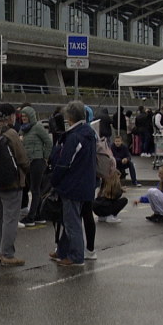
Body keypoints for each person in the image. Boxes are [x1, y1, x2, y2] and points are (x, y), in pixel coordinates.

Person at [49, 101, 96, 267]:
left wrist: (54, 181)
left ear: (69, 117)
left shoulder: (74, 137)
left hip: (72, 185)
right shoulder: (89, 133)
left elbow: (64, 163)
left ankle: (76, 256)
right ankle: (63, 251)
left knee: (72, 222)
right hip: (85, 183)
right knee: (71, 219)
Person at [0, 104, 31, 267]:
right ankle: (8, 255)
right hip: (11, 182)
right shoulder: (11, 133)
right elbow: (21, 157)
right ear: (11, 117)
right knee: (10, 219)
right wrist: (27, 171)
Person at [18, 105, 52, 227]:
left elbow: (48, 142)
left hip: (37, 161)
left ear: (31, 116)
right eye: (22, 116)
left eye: (26, 116)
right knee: (32, 188)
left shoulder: (38, 128)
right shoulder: (22, 130)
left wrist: (45, 157)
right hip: (27, 162)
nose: (24, 118)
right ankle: (39, 214)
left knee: (35, 189)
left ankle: (31, 217)